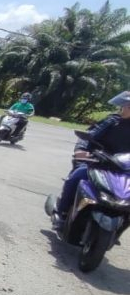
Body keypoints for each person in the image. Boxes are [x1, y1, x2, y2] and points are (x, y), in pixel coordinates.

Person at [52, 90, 130, 228]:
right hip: (100, 162)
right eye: (124, 105)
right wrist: (81, 150)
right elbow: (90, 135)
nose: (123, 108)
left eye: (126, 106)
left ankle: (122, 224)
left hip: (124, 169)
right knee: (76, 176)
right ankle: (61, 212)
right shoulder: (112, 121)